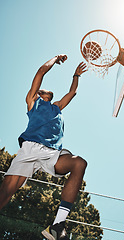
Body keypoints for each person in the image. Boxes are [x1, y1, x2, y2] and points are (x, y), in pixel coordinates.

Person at [0, 55, 88, 240]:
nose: (43, 90)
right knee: (5, 194)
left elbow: (72, 93)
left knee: (79, 163)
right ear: (39, 93)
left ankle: (57, 225)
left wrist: (76, 75)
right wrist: (55, 58)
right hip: (30, 149)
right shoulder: (33, 101)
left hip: (52, 153)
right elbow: (41, 71)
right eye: (41, 90)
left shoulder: (57, 108)